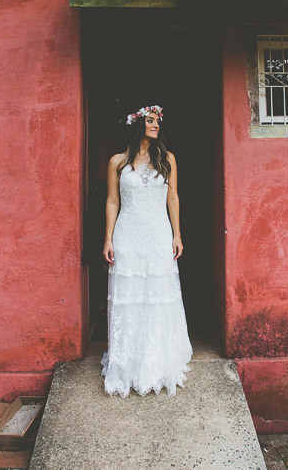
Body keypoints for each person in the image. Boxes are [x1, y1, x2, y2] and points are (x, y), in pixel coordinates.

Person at [101, 104, 193, 397]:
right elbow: (113, 201)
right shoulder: (117, 161)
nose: (156, 126)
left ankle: (156, 361)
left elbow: (173, 198)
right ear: (137, 125)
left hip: (157, 235)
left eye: (157, 122)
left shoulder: (167, 159)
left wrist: (177, 235)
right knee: (129, 299)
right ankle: (127, 362)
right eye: (151, 121)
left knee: (156, 297)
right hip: (127, 235)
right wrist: (108, 238)